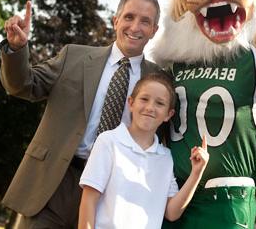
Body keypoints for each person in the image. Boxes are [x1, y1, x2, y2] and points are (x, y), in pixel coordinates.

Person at [0, 0, 162, 229]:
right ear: (115, 20)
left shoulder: (159, 80)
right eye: (129, 17)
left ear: (154, 31)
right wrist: (17, 48)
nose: (135, 27)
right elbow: (24, 86)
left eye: (145, 21)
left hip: (111, 192)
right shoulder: (74, 56)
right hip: (55, 183)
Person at [78, 73, 209, 229]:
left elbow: (172, 213)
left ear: (169, 114)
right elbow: (88, 200)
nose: (150, 108)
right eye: (144, 99)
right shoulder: (108, 141)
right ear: (131, 103)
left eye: (160, 103)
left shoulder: (165, 157)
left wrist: (196, 173)